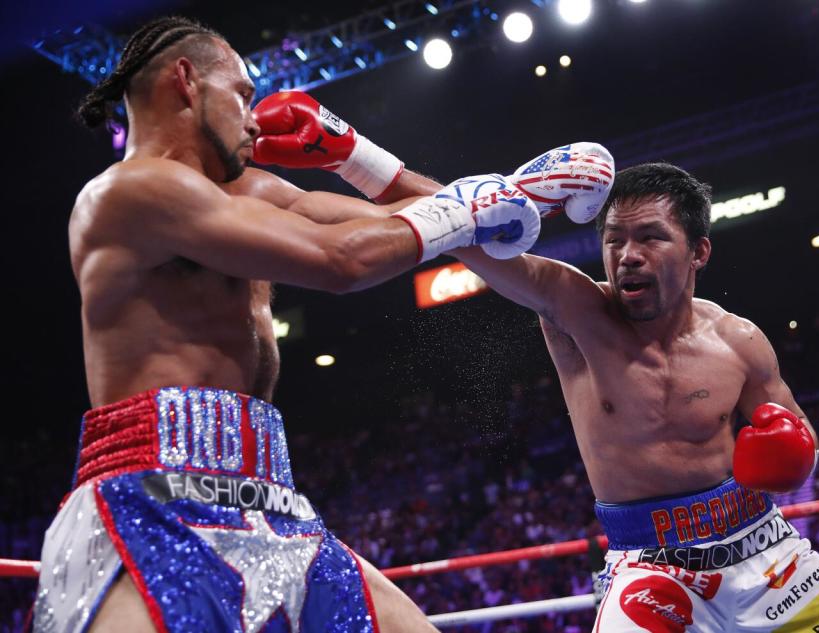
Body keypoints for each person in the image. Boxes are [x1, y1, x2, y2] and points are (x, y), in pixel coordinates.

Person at [33, 15, 553, 632]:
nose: (255, 119)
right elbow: (343, 259)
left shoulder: (251, 193)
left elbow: (435, 218)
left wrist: (356, 157)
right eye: (243, 96)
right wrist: (484, 201)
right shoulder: (127, 193)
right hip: (149, 501)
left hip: (272, 501)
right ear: (186, 81)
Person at [454, 162, 819, 631]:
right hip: (651, 569)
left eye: (650, 237)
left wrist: (790, 448)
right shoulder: (578, 314)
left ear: (698, 252)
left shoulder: (738, 339)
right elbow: (460, 227)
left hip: (769, 554)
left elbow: (801, 439)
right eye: (614, 239)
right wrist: (376, 168)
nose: (628, 255)